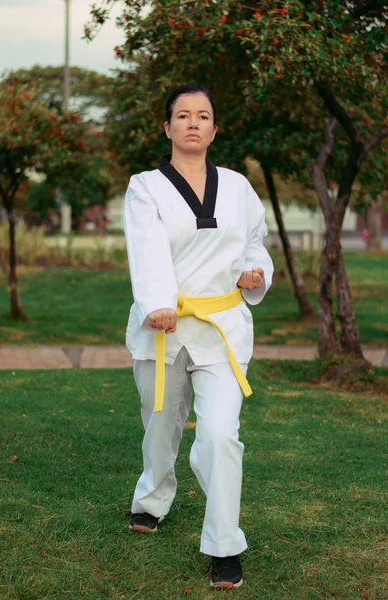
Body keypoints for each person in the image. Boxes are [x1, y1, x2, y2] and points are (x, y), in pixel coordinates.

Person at [123, 84, 273, 589]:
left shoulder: (237, 187)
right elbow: (145, 248)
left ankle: (224, 544)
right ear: (167, 128)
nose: (193, 123)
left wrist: (255, 271)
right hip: (163, 326)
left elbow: (255, 242)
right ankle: (152, 497)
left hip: (222, 329)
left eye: (203, 115)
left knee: (219, 436)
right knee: (159, 427)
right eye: (182, 115)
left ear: (214, 128)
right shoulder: (145, 186)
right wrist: (158, 303)